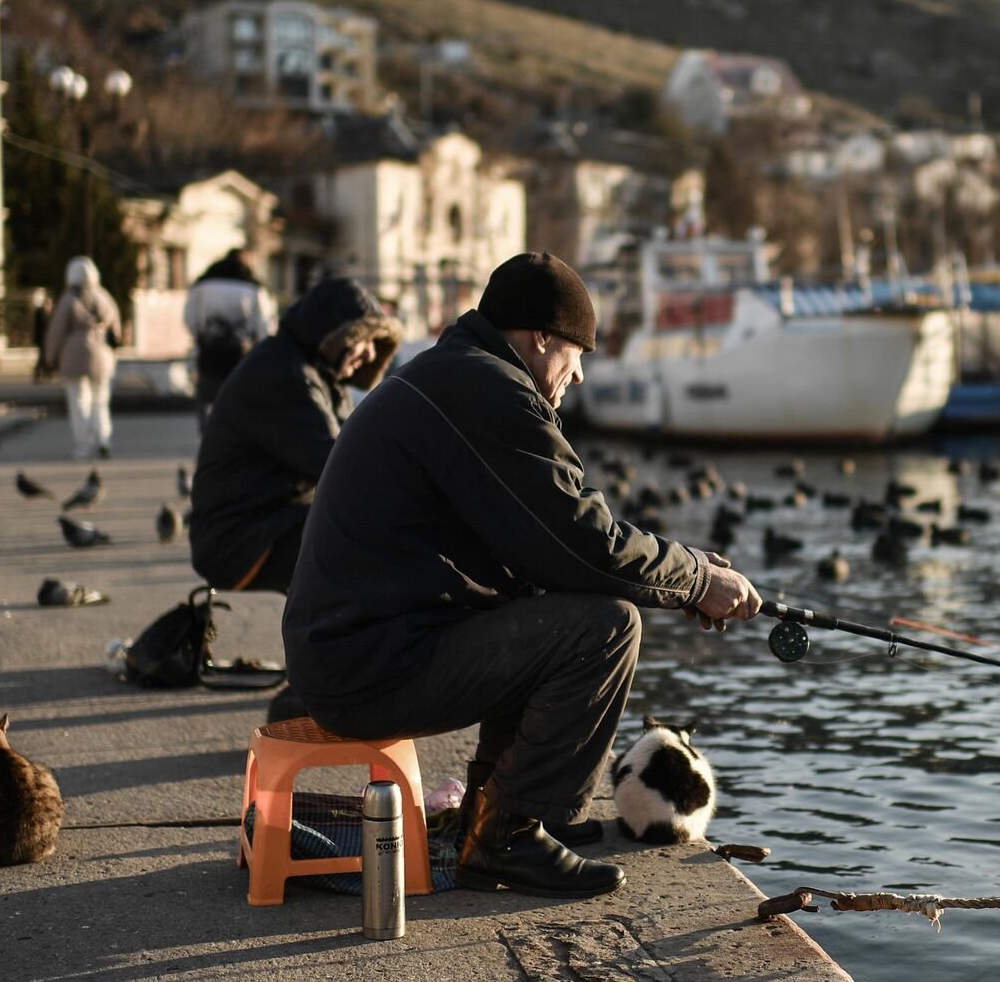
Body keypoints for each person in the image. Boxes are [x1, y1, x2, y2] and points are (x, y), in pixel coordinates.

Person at [281, 251, 761, 900]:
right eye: (577, 352)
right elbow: (584, 541)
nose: (581, 374)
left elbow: (553, 549)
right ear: (540, 337)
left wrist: (683, 575)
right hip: (364, 669)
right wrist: (696, 580)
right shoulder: (487, 390)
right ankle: (507, 837)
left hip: (351, 649)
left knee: (553, 599)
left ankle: (496, 816)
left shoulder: (457, 374)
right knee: (605, 627)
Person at [190, 277, 400, 595]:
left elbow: (357, 453)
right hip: (240, 540)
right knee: (366, 537)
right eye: (364, 340)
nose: (370, 355)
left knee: (372, 526)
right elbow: (340, 464)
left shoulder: (319, 374)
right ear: (334, 335)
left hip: (268, 523)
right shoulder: (286, 375)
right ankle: (348, 641)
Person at [183, 248, 278, 425]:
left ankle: (207, 433)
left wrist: (202, 335)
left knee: (207, 396)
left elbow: (189, 318)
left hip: (208, 351)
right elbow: (265, 325)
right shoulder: (252, 287)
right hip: (240, 353)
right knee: (239, 396)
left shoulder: (203, 285)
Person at [43, 257, 122, 460]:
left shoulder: (69, 299)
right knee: (101, 400)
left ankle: (82, 445)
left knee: (79, 401)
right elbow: (117, 326)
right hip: (103, 355)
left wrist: (49, 357)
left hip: (74, 357)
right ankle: (104, 439)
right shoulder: (104, 296)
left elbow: (57, 332)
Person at [27, 288, 54, 383]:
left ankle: (44, 375)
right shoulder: (41, 313)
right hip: (42, 339)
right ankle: (41, 375)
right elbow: (42, 326)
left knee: (43, 358)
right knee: (42, 358)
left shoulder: (46, 313)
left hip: (44, 339)